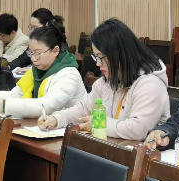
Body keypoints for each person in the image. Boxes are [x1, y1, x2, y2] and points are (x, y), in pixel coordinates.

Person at [39, 18, 169, 140]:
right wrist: (57, 119)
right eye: (96, 57)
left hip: (144, 153)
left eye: (101, 57)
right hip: (113, 148)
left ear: (119, 54)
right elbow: (83, 109)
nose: (97, 63)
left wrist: (98, 124)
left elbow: (138, 130)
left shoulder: (150, 84)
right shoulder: (105, 82)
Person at [0, 21, 85, 117]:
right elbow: (16, 94)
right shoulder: (36, 70)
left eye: (38, 53)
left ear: (55, 51)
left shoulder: (69, 74)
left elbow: (47, 106)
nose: (33, 59)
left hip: (68, 132)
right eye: (31, 53)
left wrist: (4, 106)